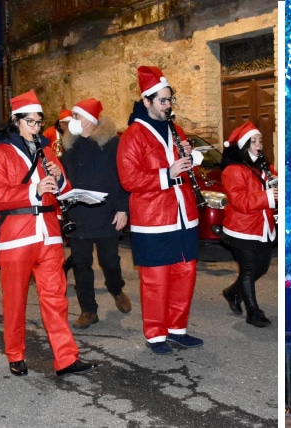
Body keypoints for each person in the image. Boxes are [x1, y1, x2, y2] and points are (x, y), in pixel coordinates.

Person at [0, 90, 96, 377]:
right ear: (16, 121)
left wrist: (60, 182)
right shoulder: (0, 153)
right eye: (31, 122)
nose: (36, 128)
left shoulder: (46, 152)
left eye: (38, 122)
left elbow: (65, 190)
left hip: (49, 234)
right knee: (15, 299)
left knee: (56, 298)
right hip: (17, 236)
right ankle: (15, 353)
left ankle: (66, 358)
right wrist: (33, 190)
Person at [116, 65, 203, 355]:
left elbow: (182, 169)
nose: (168, 106)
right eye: (162, 101)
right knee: (156, 279)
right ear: (147, 102)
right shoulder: (132, 135)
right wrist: (167, 173)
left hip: (183, 214)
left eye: (170, 100)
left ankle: (177, 329)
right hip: (153, 218)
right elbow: (129, 179)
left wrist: (189, 158)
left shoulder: (176, 130)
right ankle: (155, 334)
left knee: (185, 271)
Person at [60, 98, 130, 329]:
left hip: (107, 213)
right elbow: (64, 178)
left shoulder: (113, 144)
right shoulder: (70, 146)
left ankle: (115, 287)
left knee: (109, 261)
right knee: (81, 264)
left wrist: (123, 209)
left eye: (77, 116)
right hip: (79, 214)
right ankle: (88, 310)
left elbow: (123, 178)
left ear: (90, 120)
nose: (73, 120)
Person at [219, 121, 277, 328]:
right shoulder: (233, 170)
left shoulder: (263, 165)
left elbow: (274, 185)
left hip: (262, 227)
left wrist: (277, 186)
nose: (259, 145)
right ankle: (253, 312)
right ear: (244, 145)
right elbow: (239, 201)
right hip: (241, 228)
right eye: (253, 141)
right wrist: (268, 196)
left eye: (260, 140)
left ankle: (233, 293)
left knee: (260, 268)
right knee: (250, 269)